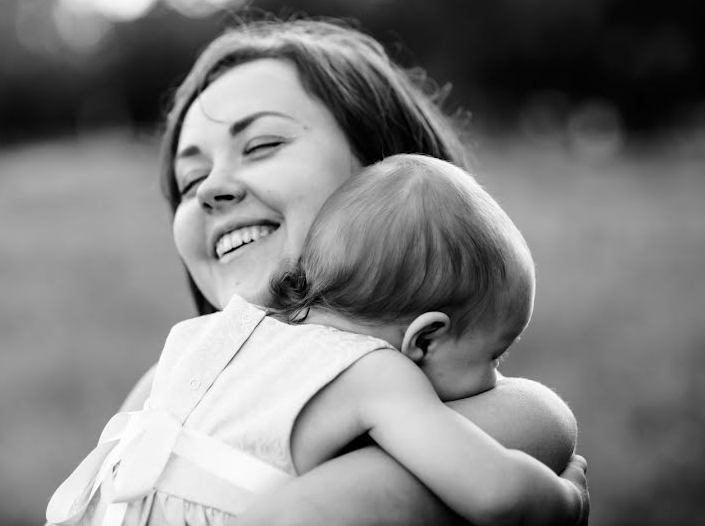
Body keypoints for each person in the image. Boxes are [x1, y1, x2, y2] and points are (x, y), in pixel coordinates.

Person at [123, 19, 588, 525]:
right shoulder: (163, 383)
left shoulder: (496, 412)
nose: (211, 188)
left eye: (261, 145)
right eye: (189, 180)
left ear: (383, 167)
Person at [46, 154, 583, 526]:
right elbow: (496, 494)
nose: (495, 379)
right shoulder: (376, 372)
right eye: (495, 355)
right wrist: (566, 499)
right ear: (425, 337)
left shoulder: (214, 333)